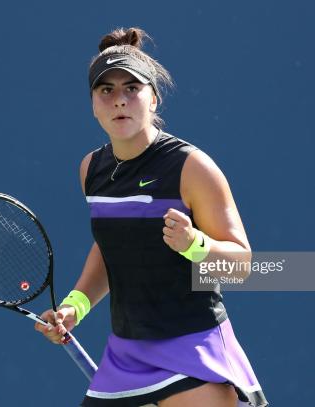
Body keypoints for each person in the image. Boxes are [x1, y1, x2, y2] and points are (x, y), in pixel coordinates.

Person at [35, 27, 268, 407]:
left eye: (132, 88)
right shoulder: (91, 169)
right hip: (126, 355)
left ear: (154, 99)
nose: (119, 100)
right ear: (92, 103)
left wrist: (196, 245)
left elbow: (243, 266)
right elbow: (113, 248)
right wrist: (74, 306)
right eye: (105, 90)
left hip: (192, 350)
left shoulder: (192, 168)